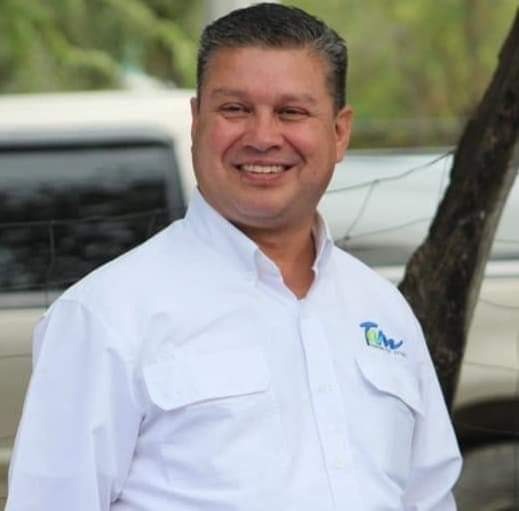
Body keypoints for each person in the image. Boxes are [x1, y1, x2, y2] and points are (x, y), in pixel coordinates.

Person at [6, 3, 462, 510]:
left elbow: (429, 498)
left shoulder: (382, 311)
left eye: (291, 112)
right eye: (235, 110)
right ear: (196, 121)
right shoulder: (105, 316)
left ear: (339, 133)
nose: (263, 137)